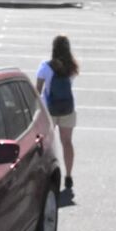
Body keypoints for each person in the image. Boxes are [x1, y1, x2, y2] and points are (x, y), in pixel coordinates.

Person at [36, 35, 80, 192]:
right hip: (68, 108)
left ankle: (49, 176)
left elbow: (38, 91)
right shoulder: (72, 68)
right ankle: (68, 175)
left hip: (50, 110)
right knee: (67, 142)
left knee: (48, 144)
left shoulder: (45, 67)